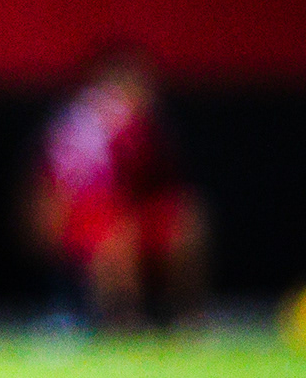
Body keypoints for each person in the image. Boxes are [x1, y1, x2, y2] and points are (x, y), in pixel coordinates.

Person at [25, 50, 207, 329]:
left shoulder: (143, 125)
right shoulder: (81, 124)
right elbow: (53, 194)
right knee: (118, 236)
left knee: (189, 220)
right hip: (86, 216)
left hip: (129, 213)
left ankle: (185, 318)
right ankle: (122, 322)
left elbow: (161, 186)